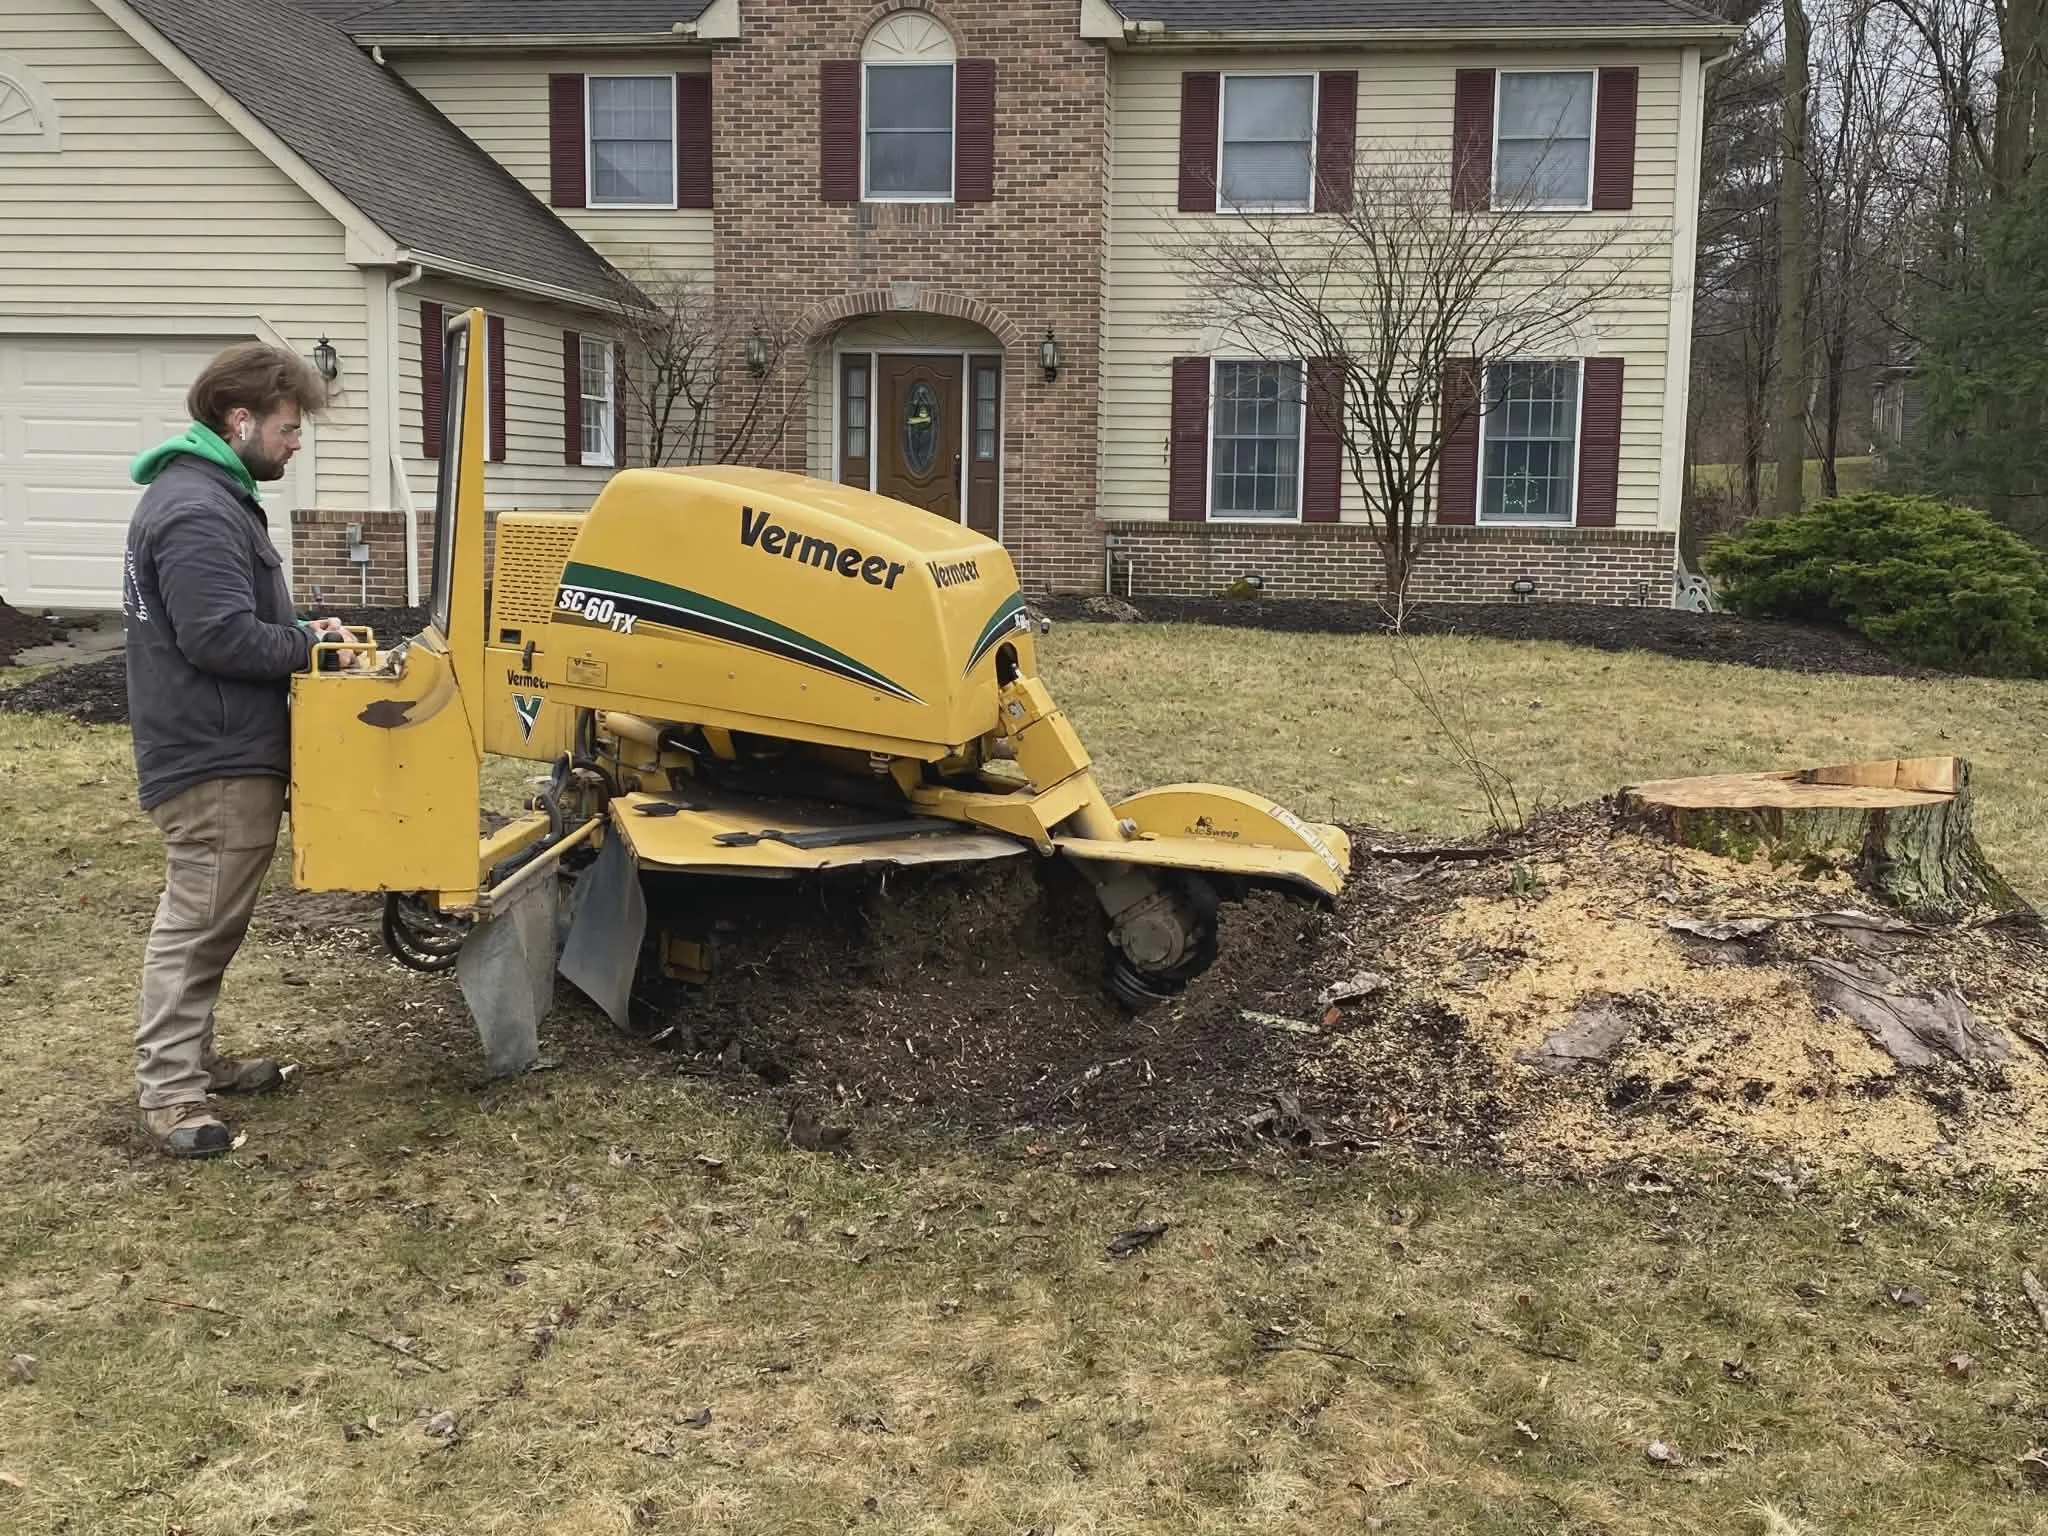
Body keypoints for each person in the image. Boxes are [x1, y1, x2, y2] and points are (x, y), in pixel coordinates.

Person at [122, 342, 354, 1159]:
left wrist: (300, 631)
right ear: (241, 418)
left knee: (213, 919)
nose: (297, 444)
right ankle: (173, 1095)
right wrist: (309, 649)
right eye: (290, 429)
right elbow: (218, 638)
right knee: (197, 921)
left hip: (223, 743)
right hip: (214, 753)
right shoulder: (197, 510)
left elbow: (224, 622)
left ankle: (193, 1062)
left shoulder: (209, 496)